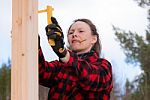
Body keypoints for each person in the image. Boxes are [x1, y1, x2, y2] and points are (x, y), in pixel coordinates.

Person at [38, 17, 113, 100]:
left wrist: (65, 55)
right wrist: (34, 44)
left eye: (81, 31)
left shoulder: (104, 66)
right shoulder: (60, 66)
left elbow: (90, 77)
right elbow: (40, 72)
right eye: (71, 33)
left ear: (93, 39)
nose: (74, 34)